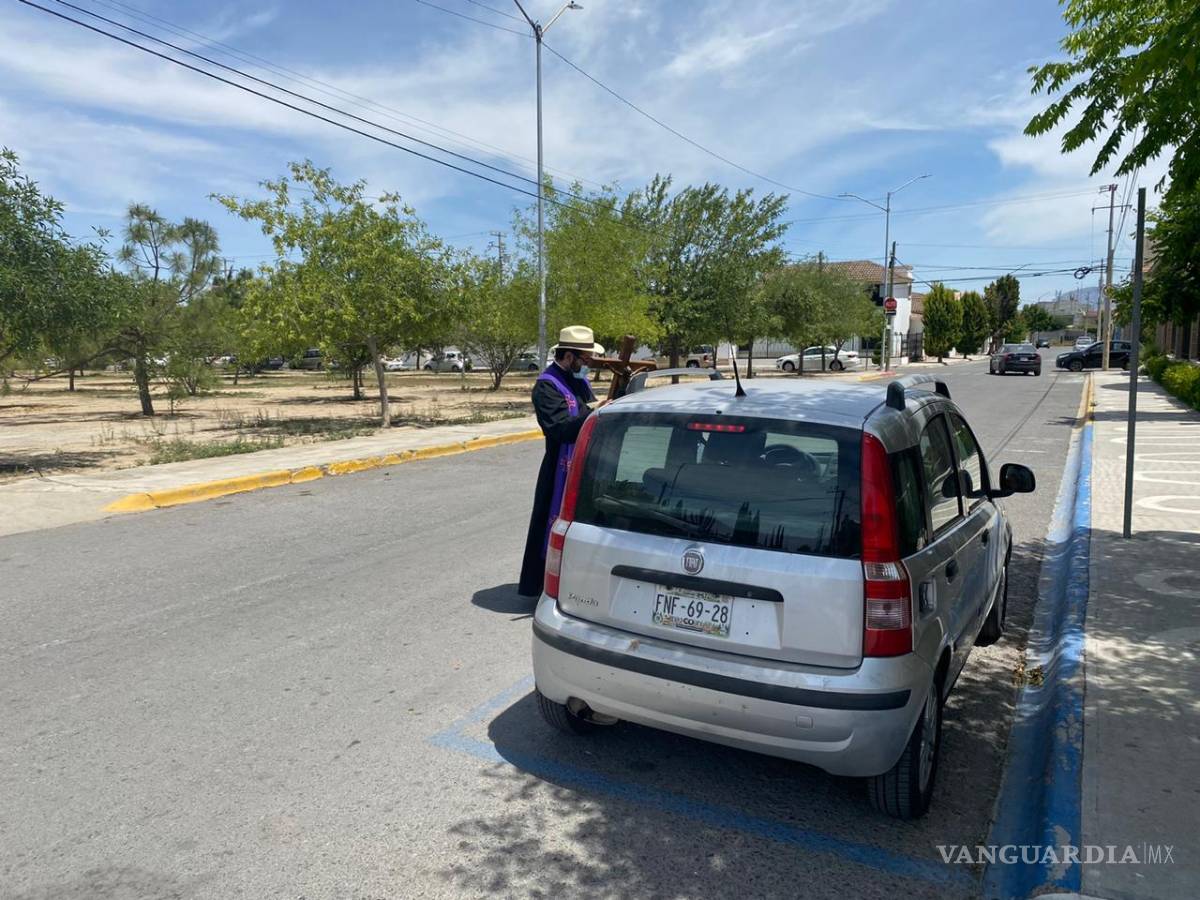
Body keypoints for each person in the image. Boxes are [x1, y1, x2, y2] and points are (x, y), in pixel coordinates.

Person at [518, 325, 605, 598]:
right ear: (569, 357)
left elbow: (585, 410)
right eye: (585, 359)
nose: (587, 365)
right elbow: (559, 428)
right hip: (558, 466)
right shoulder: (547, 386)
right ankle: (546, 586)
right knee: (551, 524)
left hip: (581, 464)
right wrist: (595, 414)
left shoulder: (575, 379)